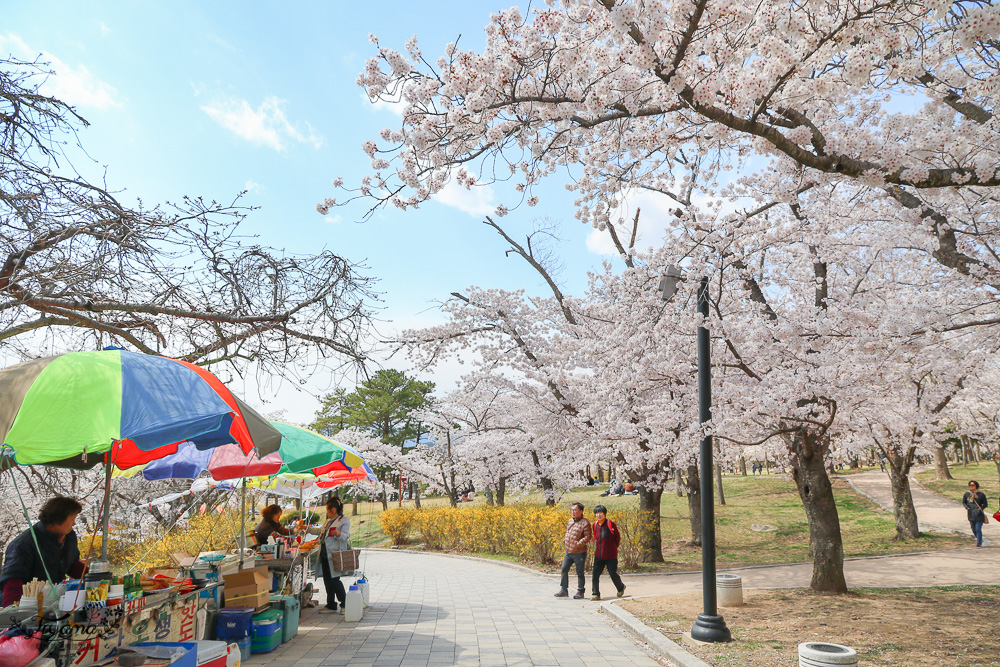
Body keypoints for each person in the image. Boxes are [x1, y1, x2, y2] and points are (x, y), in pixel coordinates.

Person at [0, 496, 86, 606]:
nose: (74, 523)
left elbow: (71, 565)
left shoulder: (68, 537)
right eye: (72, 519)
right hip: (28, 603)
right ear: (59, 519)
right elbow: (13, 580)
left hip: (52, 601)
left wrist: (95, 578)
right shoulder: (24, 544)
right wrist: (15, 612)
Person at [316, 497, 352, 613]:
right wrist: (306, 529)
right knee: (327, 580)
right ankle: (331, 604)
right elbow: (320, 532)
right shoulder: (329, 521)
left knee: (335, 580)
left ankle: (345, 604)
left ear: (334, 509)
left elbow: (346, 536)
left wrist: (338, 533)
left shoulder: (344, 521)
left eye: (327, 510)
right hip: (325, 554)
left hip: (334, 555)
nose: (326, 512)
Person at [554, 502, 592, 600]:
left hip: (579, 552)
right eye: (572, 510)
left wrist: (579, 544)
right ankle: (563, 589)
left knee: (579, 572)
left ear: (581, 511)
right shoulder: (570, 521)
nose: (573, 512)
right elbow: (568, 532)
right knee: (564, 569)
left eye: (575, 510)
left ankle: (580, 591)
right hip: (569, 551)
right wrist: (565, 540)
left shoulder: (585, 523)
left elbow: (588, 537)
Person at [590, 505, 626, 601]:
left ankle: (621, 587)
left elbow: (617, 538)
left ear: (604, 514)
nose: (598, 515)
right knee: (595, 574)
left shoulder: (610, 524)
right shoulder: (595, 525)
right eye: (596, 513)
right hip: (599, 555)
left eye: (600, 513)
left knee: (612, 573)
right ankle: (595, 593)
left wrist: (614, 548)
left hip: (611, 555)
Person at [963, 480, 989, 548]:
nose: (971, 486)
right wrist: (967, 507)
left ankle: (979, 543)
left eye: (972, 485)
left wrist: (980, 509)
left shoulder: (981, 494)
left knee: (978, 529)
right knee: (973, 529)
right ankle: (979, 538)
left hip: (979, 514)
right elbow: (964, 502)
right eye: (970, 485)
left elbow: (985, 504)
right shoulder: (967, 494)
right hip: (971, 514)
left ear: (976, 486)